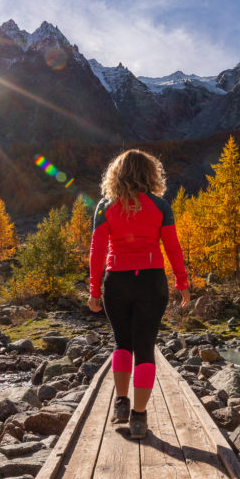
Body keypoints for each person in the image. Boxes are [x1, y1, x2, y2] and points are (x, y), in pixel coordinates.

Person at [88, 149, 190, 439]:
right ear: (150, 174)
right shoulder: (160, 206)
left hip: (116, 280)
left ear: (116, 174)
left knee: (122, 343)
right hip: (151, 281)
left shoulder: (104, 206)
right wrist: (182, 282)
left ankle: (121, 403)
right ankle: (139, 419)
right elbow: (172, 247)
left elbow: (97, 251)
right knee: (145, 347)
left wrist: (94, 290)